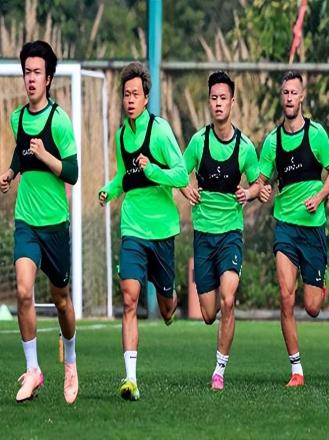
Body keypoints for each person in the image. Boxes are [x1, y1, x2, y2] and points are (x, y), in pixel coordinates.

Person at [98, 62, 188, 400]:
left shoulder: (160, 131)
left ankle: (171, 296)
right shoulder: (121, 136)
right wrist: (108, 190)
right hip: (132, 226)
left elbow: (181, 175)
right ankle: (131, 379)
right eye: (126, 94)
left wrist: (154, 171)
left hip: (162, 230)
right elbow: (124, 177)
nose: (130, 100)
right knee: (129, 298)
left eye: (136, 94)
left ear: (146, 98)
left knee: (166, 310)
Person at [0, 41, 79, 404]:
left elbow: (73, 172)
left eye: (37, 73)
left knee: (61, 300)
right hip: (26, 221)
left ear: (48, 79)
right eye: (27, 72)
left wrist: (46, 156)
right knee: (22, 291)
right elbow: (21, 151)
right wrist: (10, 172)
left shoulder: (59, 121)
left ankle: (71, 362)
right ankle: (33, 369)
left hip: (55, 225)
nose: (30, 78)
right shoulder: (17, 118)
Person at [259, 71, 329, 387]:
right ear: (281, 97)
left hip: (313, 229)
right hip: (286, 228)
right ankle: (296, 369)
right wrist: (260, 190)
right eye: (285, 92)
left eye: (294, 92)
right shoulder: (272, 141)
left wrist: (320, 197)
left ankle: (320, 286)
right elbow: (261, 181)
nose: (289, 97)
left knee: (313, 307)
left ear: (302, 96)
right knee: (285, 295)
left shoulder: (316, 135)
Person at [181, 71, 260, 390]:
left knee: (228, 301)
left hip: (230, 234)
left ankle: (219, 370)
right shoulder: (198, 142)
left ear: (232, 102)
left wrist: (249, 193)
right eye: (213, 98)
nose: (218, 103)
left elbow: (258, 182)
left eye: (223, 98)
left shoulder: (245, 147)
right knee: (208, 313)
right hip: (203, 235)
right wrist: (186, 189)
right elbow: (179, 172)